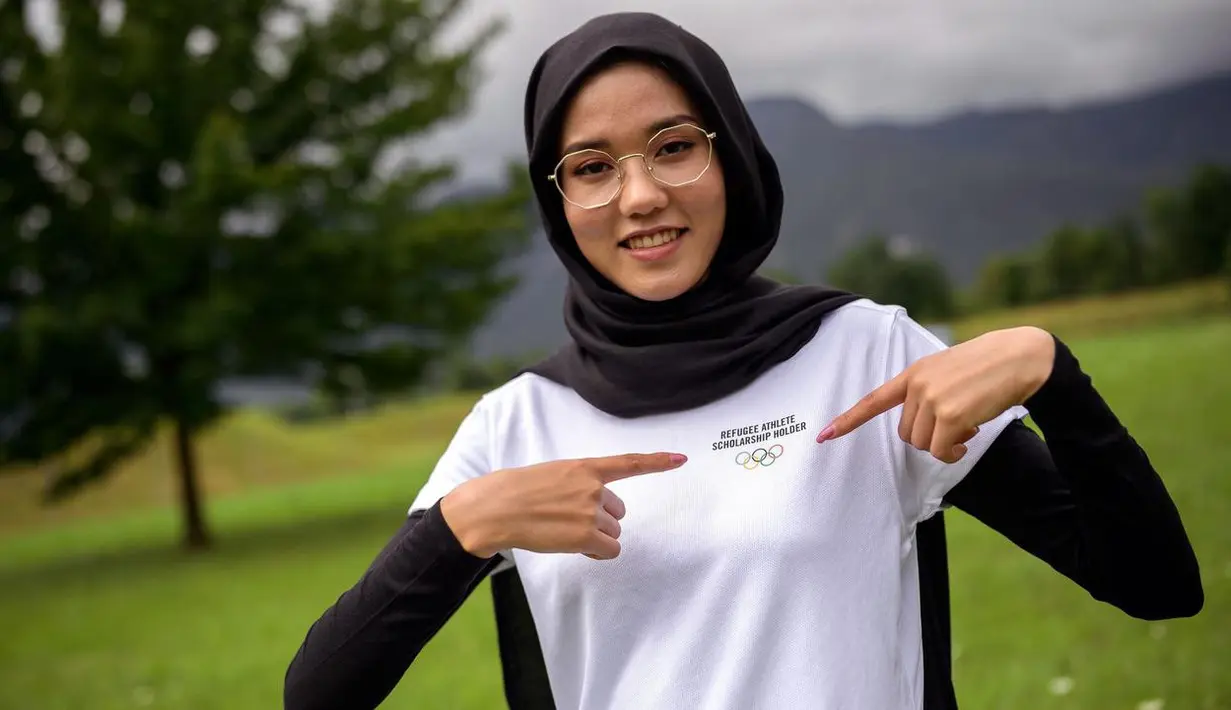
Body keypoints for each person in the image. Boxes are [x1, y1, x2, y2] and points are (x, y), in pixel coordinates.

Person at [283, 12, 1203, 710]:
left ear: (732, 157)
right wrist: (457, 527)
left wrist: (1055, 377)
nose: (639, 196)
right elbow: (316, 695)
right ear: (556, 197)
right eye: (592, 167)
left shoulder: (862, 354)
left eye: (674, 148)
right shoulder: (515, 425)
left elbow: (1155, 586)